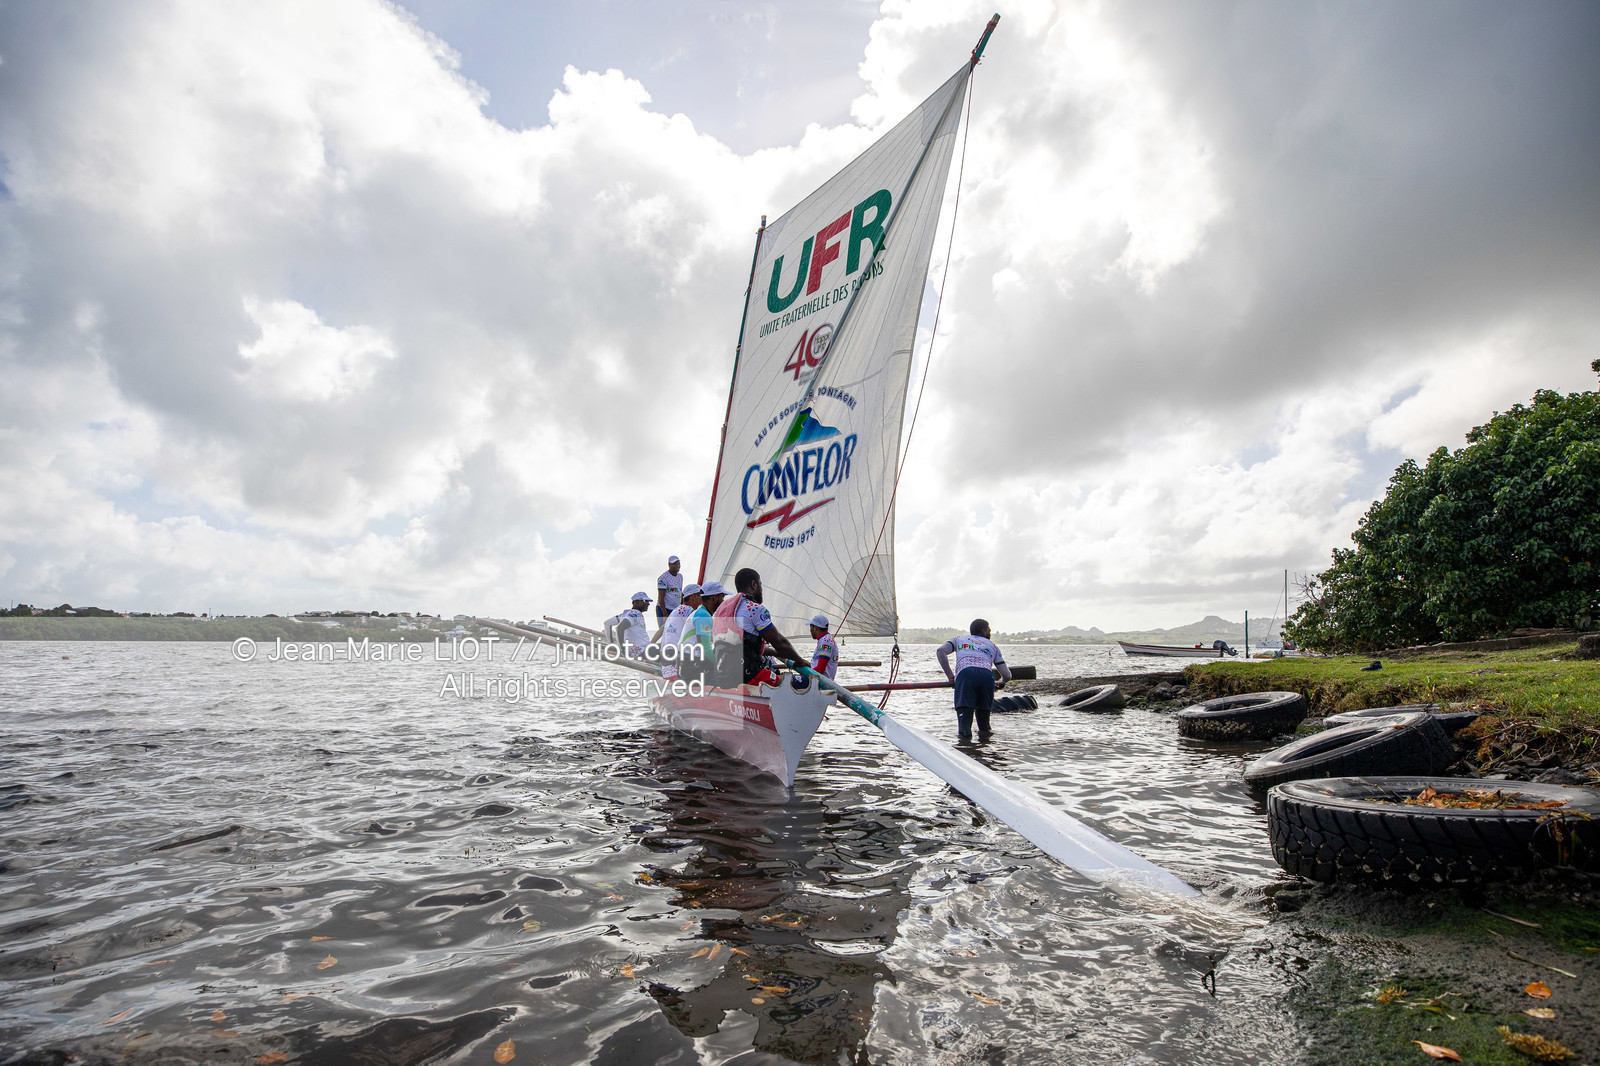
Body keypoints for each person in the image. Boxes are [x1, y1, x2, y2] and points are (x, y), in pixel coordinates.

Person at [712, 568, 803, 688]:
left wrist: (777, 653)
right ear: (754, 584)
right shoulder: (755, 609)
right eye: (760, 584)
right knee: (802, 682)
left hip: (724, 677)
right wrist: (800, 661)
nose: (761, 589)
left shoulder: (723, 610)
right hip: (749, 676)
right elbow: (780, 642)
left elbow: (742, 646)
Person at [936, 619, 1012, 742]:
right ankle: (984, 750)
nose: (990, 631)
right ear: (983, 631)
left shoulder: (959, 639)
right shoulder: (992, 646)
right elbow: (1007, 675)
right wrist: (1001, 683)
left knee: (965, 726)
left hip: (966, 675)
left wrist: (950, 676)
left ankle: (965, 748)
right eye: (989, 629)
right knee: (984, 726)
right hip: (987, 676)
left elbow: (940, 651)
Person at [657, 583, 701, 680]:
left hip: (665, 659)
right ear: (693, 596)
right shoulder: (690, 611)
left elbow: (662, 629)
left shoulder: (675, 611)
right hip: (675, 659)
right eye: (701, 595)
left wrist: (650, 645)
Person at [604, 593, 652, 657]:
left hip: (638, 652)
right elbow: (619, 628)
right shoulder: (635, 614)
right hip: (643, 651)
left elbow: (607, 623)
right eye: (646, 601)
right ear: (637, 602)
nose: (648, 604)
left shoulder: (625, 614)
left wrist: (612, 645)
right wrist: (623, 650)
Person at [656, 555, 684, 634]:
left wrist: (682, 608)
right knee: (665, 632)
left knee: (676, 632)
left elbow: (680, 592)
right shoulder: (663, 578)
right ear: (669, 565)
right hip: (665, 609)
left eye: (678, 563)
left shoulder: (680, 576)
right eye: (675, 564)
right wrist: (665, 615)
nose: (677, 565)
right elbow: (661, 598)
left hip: (675, 609)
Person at [808, 613, 838, 681]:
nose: (810, 630)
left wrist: (804, 673)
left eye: (811, 627)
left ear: (816, 628)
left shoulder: (826, 641)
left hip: (819, 681)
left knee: (783, 680)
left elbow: (820, 669)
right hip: (817, 679)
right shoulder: (825, 639)